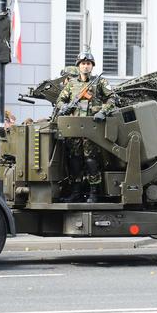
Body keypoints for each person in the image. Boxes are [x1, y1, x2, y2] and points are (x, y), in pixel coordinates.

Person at [56, 50, 116, 203]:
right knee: (75, 160)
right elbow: (60, 101)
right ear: (78, 66)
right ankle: (76, 192)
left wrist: (103, 111)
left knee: (91, 161)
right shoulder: (71, 84)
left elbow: (112, 98)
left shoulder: (100, 82)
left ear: (92, 66)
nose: (85, 66)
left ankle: (94, 193)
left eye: (88, 64)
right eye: (83, 64)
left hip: (92, 128)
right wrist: (64, 107)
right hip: (75, 128)